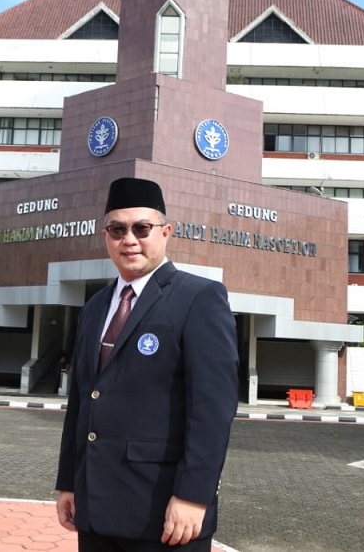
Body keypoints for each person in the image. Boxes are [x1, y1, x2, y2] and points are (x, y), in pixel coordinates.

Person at [55, 177, 239, 550]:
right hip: (96, 509)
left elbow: (212, 409)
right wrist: (69, 482)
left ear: (166, 231)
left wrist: (194, 495)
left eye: (142, 228)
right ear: (105, 235)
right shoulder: (94, 308)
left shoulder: (199, 298)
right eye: (117, 229)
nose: (130, 239)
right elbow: (81, 402)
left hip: (163, 512)